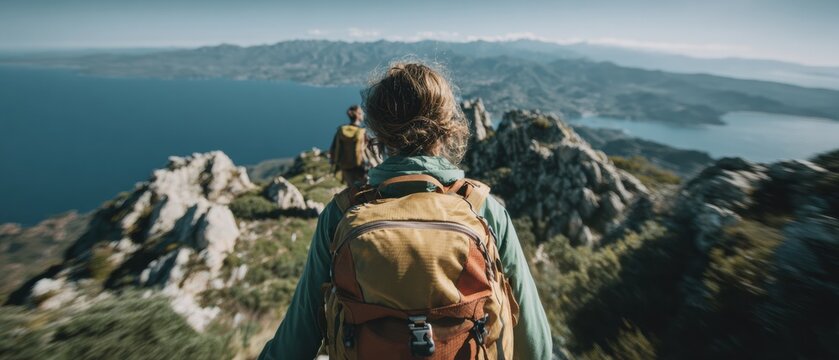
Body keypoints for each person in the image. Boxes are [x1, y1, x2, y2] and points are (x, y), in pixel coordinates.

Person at [258, 62, 552, 360]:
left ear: (376, 134)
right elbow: (536, 347)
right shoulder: (484, 212)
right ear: (449, 128)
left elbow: (295, 342)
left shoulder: (340, 215)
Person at [329, 105, 369, 187]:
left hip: (345, 167)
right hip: (361, 167)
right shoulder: (362, 132)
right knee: (365, 190)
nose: (362, 115)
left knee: (352, 191)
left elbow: (333, 149)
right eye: (361, 113)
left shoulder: (341, 130)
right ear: (357, 115)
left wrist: (334, 164)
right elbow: (367, 150)